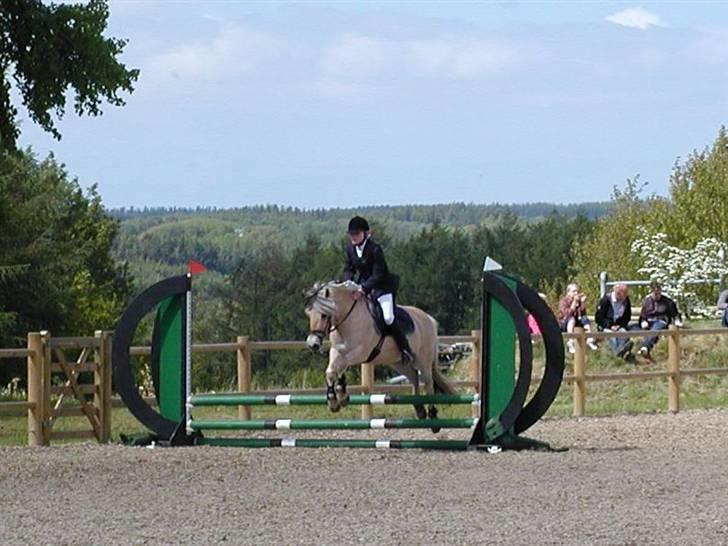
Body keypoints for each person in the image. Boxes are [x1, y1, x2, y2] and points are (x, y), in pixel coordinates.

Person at [342, 215, 414, 363]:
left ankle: (405, 350)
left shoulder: (375, 249)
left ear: (366, 234)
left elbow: (378, 275)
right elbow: (348, 269)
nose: (353, 237)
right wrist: (348, 283)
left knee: (388, 317)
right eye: (351, 234)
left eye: (356, 233)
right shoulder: (350, 248)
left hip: (382, 288)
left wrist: (363, 289)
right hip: (361, 287)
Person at [637, 280, 681, 358]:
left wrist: (677, 321)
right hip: (649, 321)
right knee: (631, 328)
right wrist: (643, 321)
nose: (657, 295)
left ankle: (645, 347)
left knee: (656, 328)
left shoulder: (667, 302)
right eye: (654, 293)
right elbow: (643, 314)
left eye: (658, 292)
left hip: (661, 321)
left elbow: (675, 314)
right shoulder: (647, 301)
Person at [595, 283, 634, 360]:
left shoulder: (626, 300)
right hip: (606, 326)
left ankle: (621, 351)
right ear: (618, 293)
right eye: (624, 295)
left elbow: (627, 316)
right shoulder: (606, 300)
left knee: (624, 334)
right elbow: (598, 317)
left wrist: (620, 325)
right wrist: (610, 326)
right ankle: (619, 353)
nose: (625, 297)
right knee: (611, 336)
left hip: (618, 325)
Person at [558, 283, 598, 353]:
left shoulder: (578, 301)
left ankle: (589, 338)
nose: (576, 293)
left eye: (577, 291)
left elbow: (583, 314)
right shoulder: (563, 301)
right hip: (565, 323)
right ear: (568, 292)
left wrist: (582, 303)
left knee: (585, 318)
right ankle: (571, 341)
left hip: (576, 322)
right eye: (574, 291)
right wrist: (574, 303)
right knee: (571, 319)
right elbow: (567, 314)